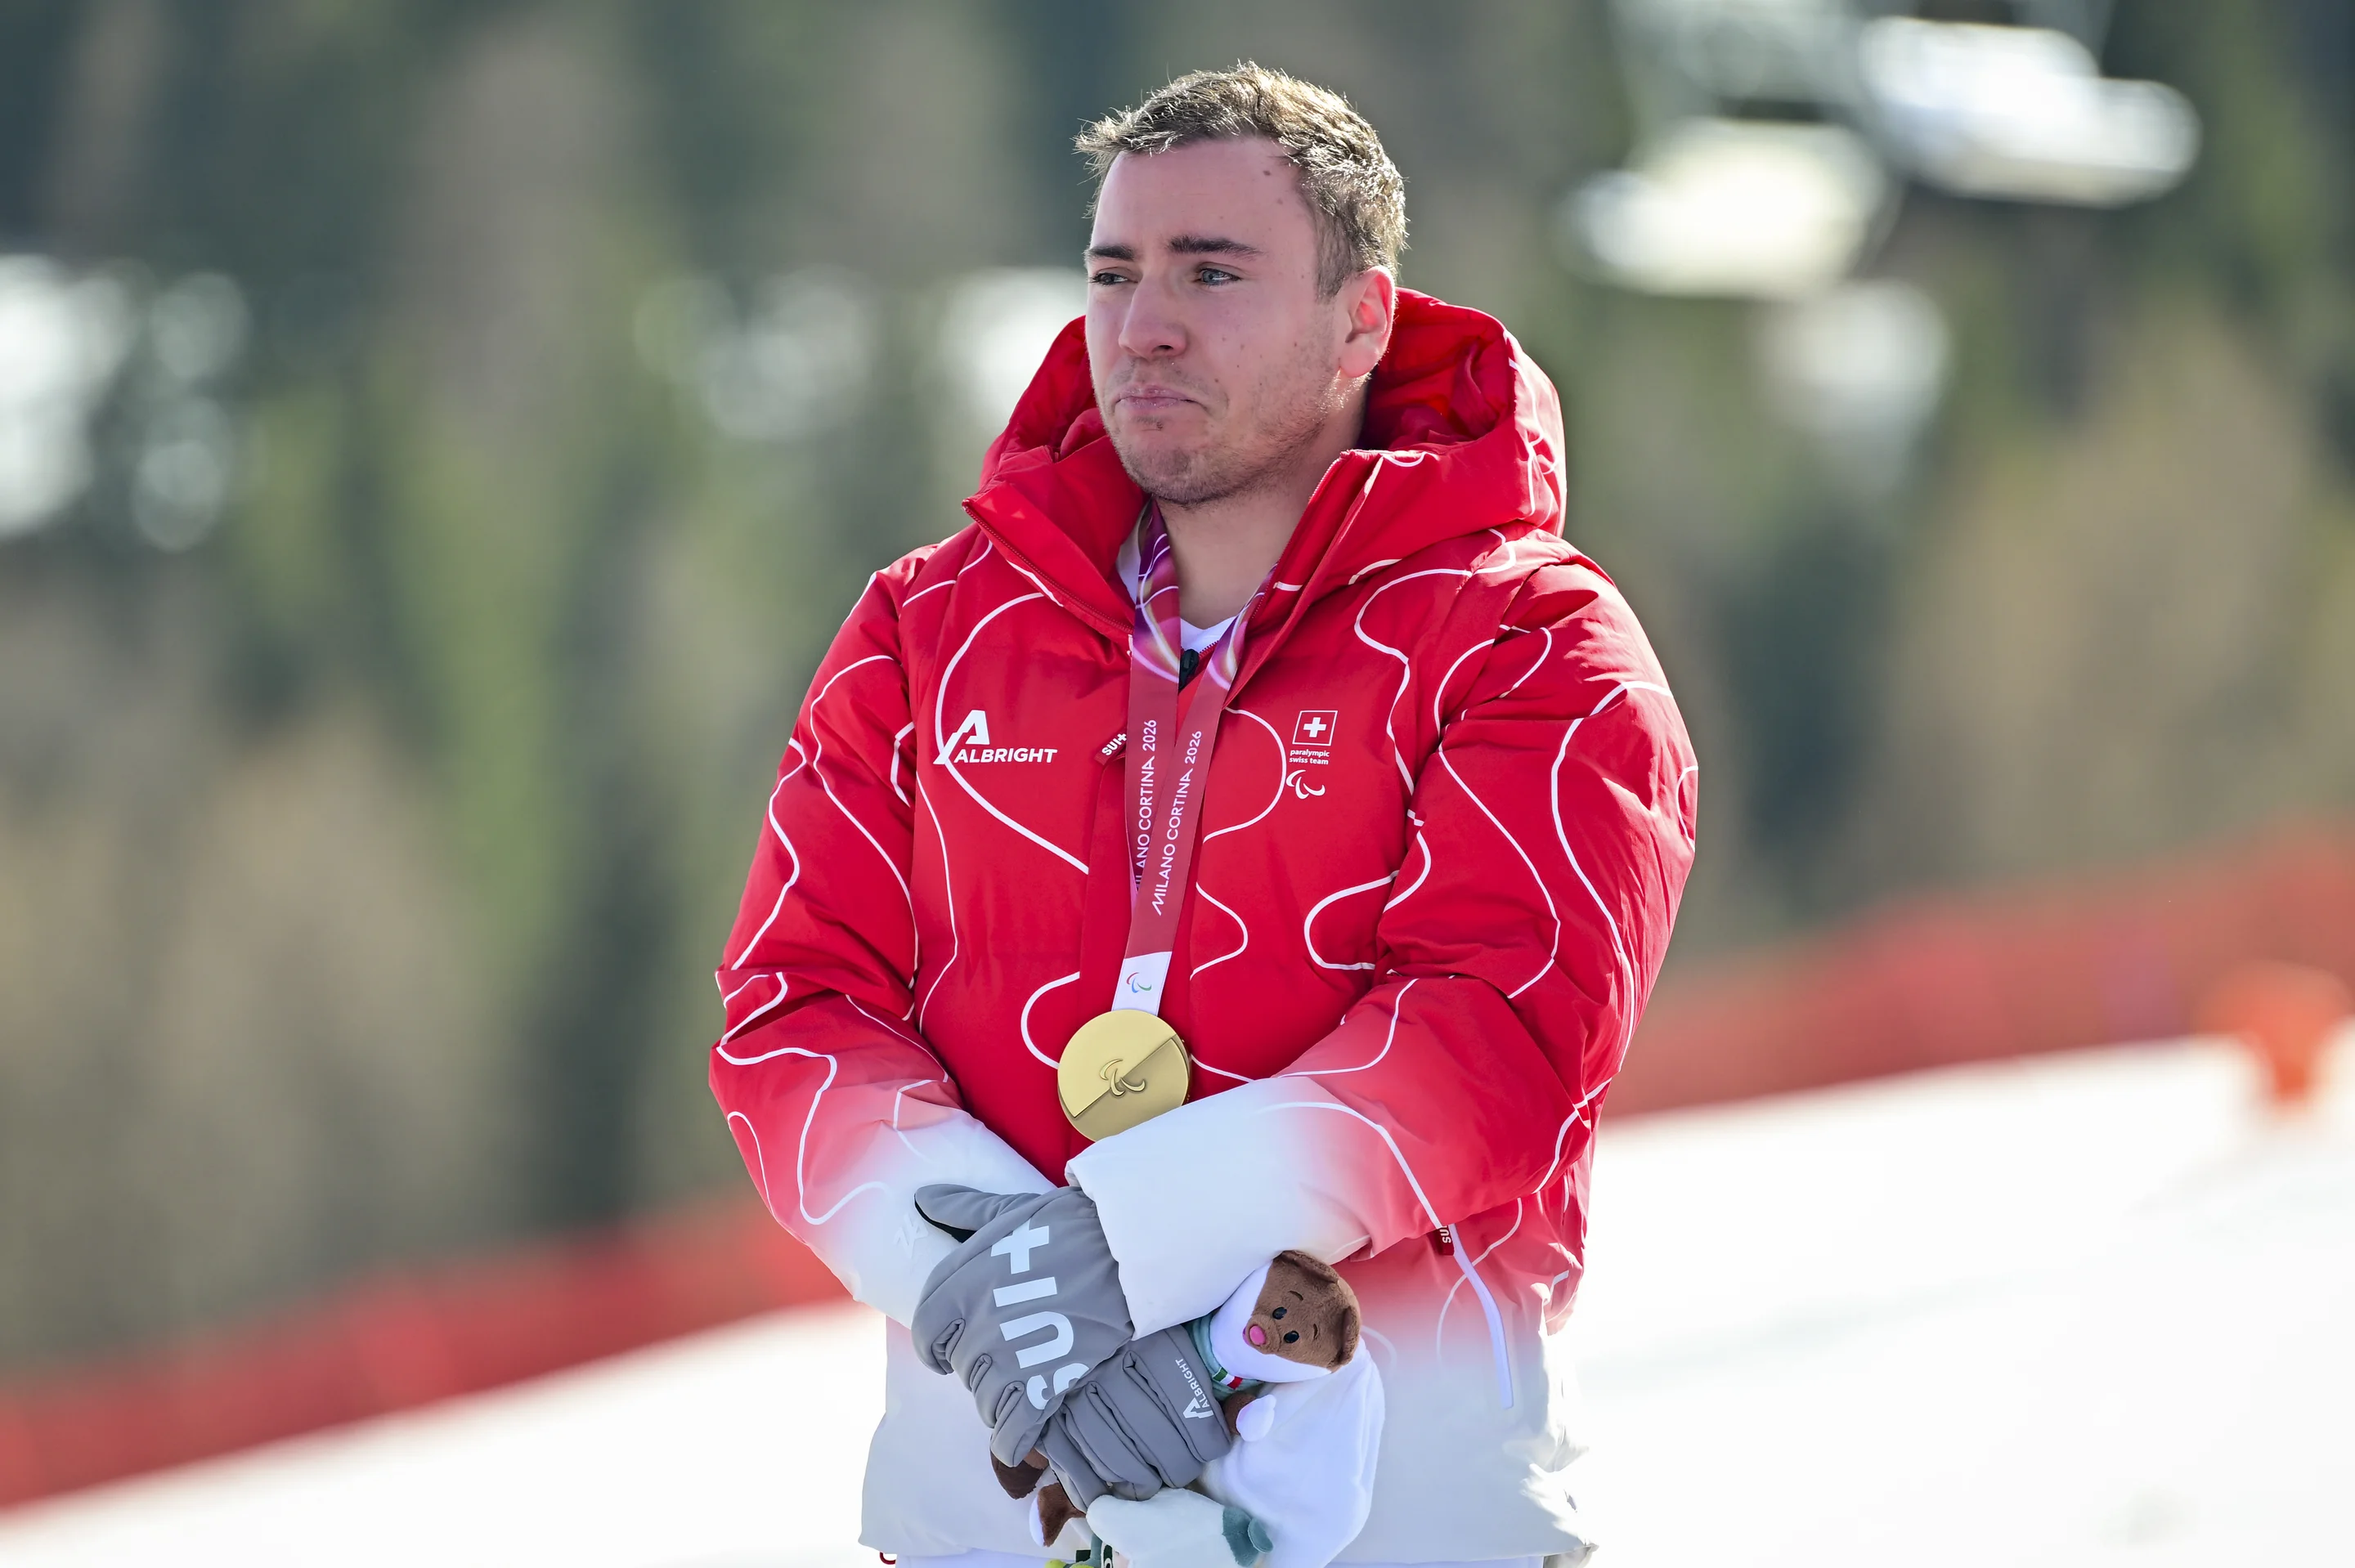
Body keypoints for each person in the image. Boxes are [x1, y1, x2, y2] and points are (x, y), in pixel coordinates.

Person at [710, 62, 1696, 1568]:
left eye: (1213, 272)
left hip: (1406, 1520)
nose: (1145, 322)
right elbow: (796, 1002)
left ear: (1363, 317)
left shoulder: (1527, 641)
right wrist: (979, 1273)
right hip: (985, 1524)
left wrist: (1135, 1253)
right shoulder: (928, 634)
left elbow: (1498, 1022)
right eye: (1115, 272)